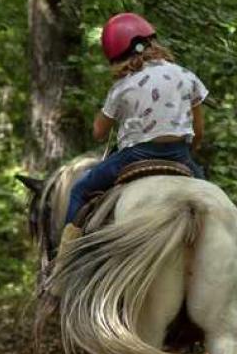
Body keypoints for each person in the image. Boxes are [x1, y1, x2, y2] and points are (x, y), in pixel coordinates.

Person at [60, 13, 208, 244]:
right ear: (152, 41)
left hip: (133, 157)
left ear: (116, 56)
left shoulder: (122, 87)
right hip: (180, 156)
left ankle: (65, 256)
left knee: (79, 190)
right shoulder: (185, 75)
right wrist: (189, 153)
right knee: (210, 197)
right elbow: (198, 131)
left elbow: (98, 133)